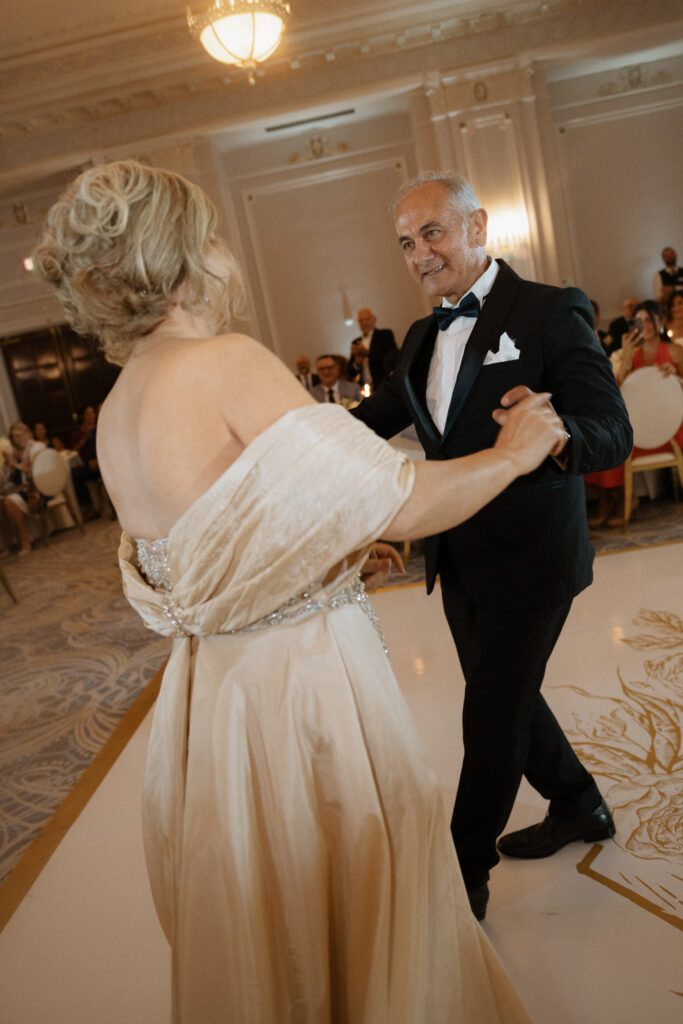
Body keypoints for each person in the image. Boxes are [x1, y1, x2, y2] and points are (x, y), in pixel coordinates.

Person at [31, 159, 566, 1022]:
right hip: (297, 693)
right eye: (211, 235)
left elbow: (205, 550)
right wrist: (513, 453)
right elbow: (405, 501)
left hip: (211, 702)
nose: (224, 253)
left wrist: (322, 558)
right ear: (183, 258)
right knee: (357, 881)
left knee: (276, 918)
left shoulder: (121, 401)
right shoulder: (222, 361)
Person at [351, 170, 633, 923]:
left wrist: (553, 435)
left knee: (489, 715)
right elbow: (372, 417)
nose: (419, 254)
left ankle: (459, 878)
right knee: (508, 699)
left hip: (533, 554)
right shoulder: (418, 336)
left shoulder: (547, 309)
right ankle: (577, 804)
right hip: (457, 555)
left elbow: (611, 429)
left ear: (477, 228)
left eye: (432, 233)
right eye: (407, 243)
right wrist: (281, 435)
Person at [2, 421, 47, 554]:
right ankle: (8, 544)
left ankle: (25, 539)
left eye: (22, 435)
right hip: (18, 488)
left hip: (36, 489)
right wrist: (8, 465)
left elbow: (35, 472)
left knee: (9, 502)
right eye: (15, 437)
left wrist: (14, 464)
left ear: (28, 433)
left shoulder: (37, 447)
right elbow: (6, 478)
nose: (19, 439)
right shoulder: (14, 452)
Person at [350, 308, 397, 390]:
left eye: (367, 319)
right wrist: (357, 363)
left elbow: (391, 359)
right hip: (364, 388)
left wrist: (367, 353)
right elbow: (350, 372)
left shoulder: (385, 334)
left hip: (384, 385)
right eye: (361, 320)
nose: (364, 323)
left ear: (374, 320)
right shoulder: (356, 342)